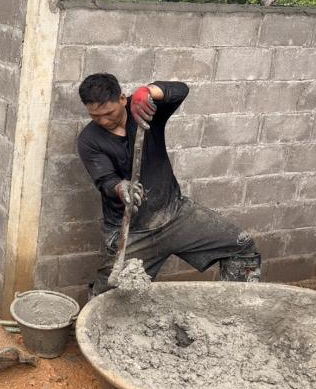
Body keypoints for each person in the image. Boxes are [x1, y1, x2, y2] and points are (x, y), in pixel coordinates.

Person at [76, 73, 261, 295]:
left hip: (174, 214)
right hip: (132, 231)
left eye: (109, 113)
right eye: (95, 116)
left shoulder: (143, 109)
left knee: (242, 246)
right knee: (108, 295)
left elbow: (181, 90)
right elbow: (105, 180)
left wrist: (149, 91)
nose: (104, 121)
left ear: (123, 99)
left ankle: (235, 310)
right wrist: (121, 188)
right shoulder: (89, 139)